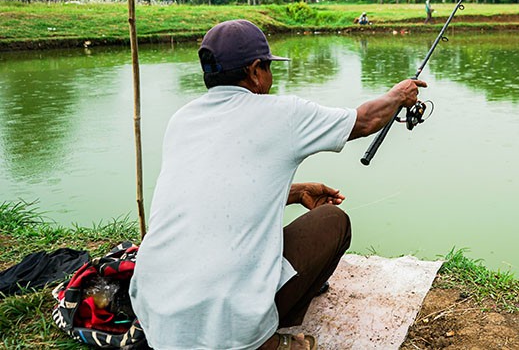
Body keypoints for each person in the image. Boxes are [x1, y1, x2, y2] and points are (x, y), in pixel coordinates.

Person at [130, 19, 426, 350]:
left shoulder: (182, 120)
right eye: (268, 67)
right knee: (333, 221)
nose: (270, 77)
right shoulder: (281, 113)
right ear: (255, 71)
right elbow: (365, 120)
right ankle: (267, 340)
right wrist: (399, 95)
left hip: (157, 317)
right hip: (230, 332)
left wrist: (297, 192)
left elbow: (214, 192)